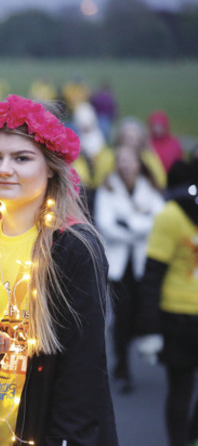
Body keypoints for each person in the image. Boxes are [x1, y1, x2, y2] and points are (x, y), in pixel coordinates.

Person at [0, 95, 119, 445]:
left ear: (50, 166)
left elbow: (84, 371)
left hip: (52, 434)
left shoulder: (73, 246)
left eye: (21, 158)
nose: (4, 169)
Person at [93, 145, 165, 393]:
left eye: (129, 160)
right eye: (121, 160)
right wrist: (139, 222)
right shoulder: (108, 188)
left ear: (138, 163)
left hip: (142, 264)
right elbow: (105, 225)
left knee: (141, 312)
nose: (125, 165)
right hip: (119, 266)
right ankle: (122, 366)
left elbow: (160, 219)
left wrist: (127, 223)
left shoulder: (149, 188)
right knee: (121, 317)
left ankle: (143, 350)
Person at [138, 159, 198, 446]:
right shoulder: (172, 216)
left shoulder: (169, 214)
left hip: (179, 316)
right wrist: (149, 329)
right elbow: (153, 274)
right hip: (178, 318)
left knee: (180, 390)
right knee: (181, 389)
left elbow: (151, 275)